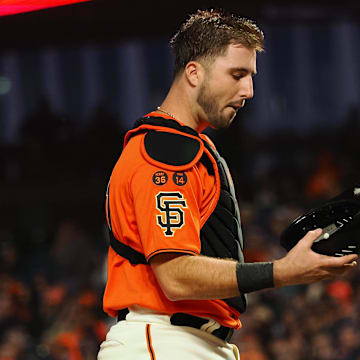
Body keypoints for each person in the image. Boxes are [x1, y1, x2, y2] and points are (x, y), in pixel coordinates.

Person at [97, 9, 358, 360]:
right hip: (164, 339)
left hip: (187, 340)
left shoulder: (188, 145)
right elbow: (175, 275)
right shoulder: (166, 151)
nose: (248, 90)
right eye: (237, 75)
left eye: (250, 76)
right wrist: (282, 272)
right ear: (194, 72)